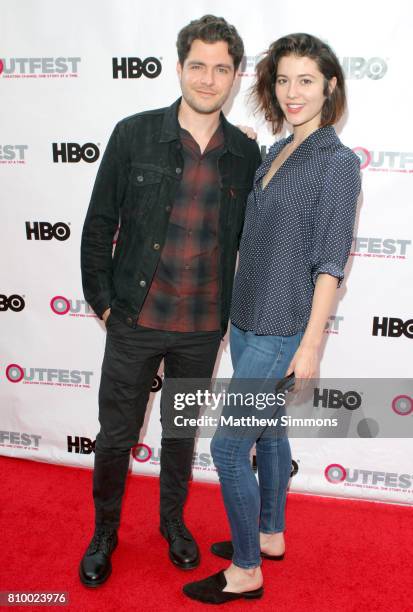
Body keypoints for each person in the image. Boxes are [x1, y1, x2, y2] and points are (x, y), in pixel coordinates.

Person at [79, 15, 261, 587]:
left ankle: (172, 523)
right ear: (179, 66)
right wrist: (105, 304)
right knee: (115, 436)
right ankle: (104, 531)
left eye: (222, 69)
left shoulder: (245, 156)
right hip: (134, 319)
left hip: (203, 327)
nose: (209, 79)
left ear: (235, 77)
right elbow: (98, 225)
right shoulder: (133, 134)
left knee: (180, 435)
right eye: (199, 65)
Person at [183, 33, 361, 604]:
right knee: (271, 429)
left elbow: (330, 262)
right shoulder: (279, 148)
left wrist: (310, 345)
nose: (292, 92)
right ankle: (270, 534)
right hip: (246, 314)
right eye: (283, 79)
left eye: (306, 80)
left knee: (230, 448)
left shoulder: (336, 162)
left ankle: (246, 569)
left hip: (283, 325)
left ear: (330, 85)